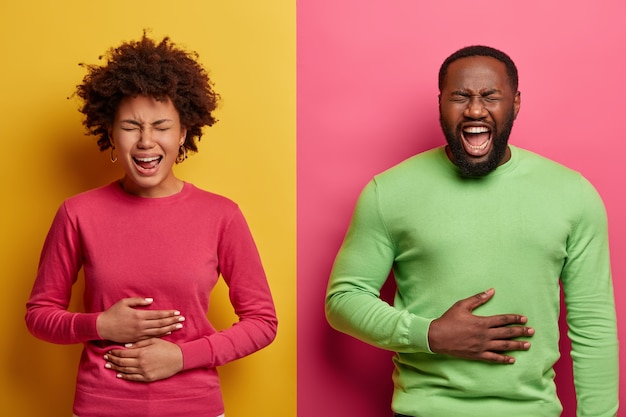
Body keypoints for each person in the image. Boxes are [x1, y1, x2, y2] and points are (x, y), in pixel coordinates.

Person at [325, 45, 618, 417]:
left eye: (490, 96)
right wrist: (428, 334)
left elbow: (593, 327)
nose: (475, 110)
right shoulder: (390, 192)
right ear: (441, 104)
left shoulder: (572, 194)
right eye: (460, 96)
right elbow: (344, 299)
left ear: (515, 104)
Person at [25, 33, 277, 417]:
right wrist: (101, 325)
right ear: (110, 133)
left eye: (161, 126)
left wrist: (182, 356)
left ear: (183, 134)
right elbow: (39, 315)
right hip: (100, 406)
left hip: (195, 407)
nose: (146, 141)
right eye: (130, 126)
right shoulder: (77, 213)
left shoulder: (221, 215)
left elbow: (262, 322)